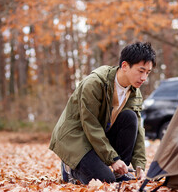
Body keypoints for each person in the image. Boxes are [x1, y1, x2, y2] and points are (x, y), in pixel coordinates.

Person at [49, 42, 156, 184]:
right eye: (141, 71)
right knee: (105, 180)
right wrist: (113, 159)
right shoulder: (95, 84)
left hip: (98, 135)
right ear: (124, 66)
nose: (144, 78)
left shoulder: (134, 91)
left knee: (130, 118)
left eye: (147, 73)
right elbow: (90, 124)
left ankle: (120, 172)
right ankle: (70, 168)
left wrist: (139, 166)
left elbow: (138, 131)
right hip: (75, 137)